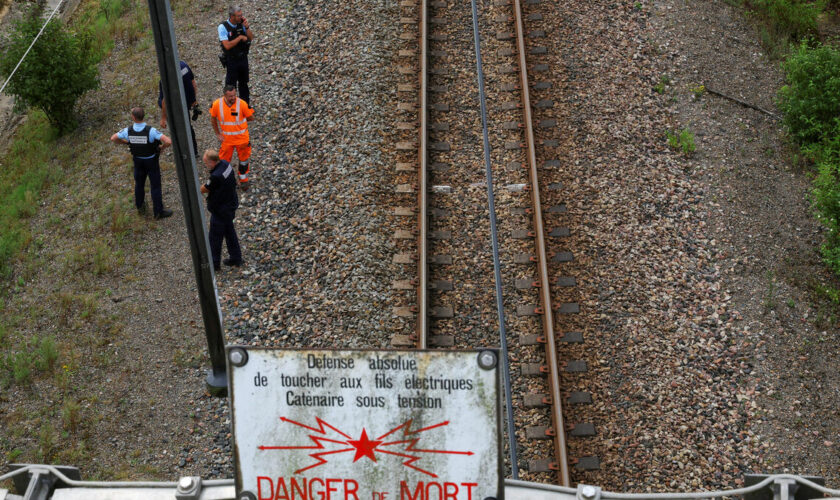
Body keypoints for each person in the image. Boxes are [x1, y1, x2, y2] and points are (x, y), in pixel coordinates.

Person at [110, 107, 173, 219]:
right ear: (143, 116)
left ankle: (140, 208)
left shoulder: (128, 131)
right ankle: (158, 212)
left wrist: (126, 142)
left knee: (139, 185)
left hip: (138, 161)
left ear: (133, 117)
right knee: (155, 186)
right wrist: (162, 148)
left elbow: (113, 138)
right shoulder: (151, 131)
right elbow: (168, 141)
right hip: (151, 161)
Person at [200, 149, 242, 271]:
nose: (206, 165)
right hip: (231, 205)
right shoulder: (226, 164)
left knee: (215, 238)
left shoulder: (215, 176)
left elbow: (205, 188)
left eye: (206, 163)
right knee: (229, 232)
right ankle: (236, 258)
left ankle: (214, 264)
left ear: (212, 162)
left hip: (220, 210)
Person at [209, 85, 255, 191]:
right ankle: (225, 181)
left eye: (234, 95)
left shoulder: (242, 104)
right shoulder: (217, 105)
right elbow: (213, 119)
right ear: (224, 95)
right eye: (230, 96)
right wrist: (217, 134)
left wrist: (239, 122)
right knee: (223, 162)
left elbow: (251, 117)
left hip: (242, 139)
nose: (233, 98)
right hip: (227, 140)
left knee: (243, 161)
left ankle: (243, 181)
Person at [158, 60, 199, 157]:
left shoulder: (167, 77)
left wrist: (163, 117)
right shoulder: (184, 65)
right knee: (188, 126)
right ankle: (194, 151)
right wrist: (193, 101)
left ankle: (182, 150)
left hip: (174, 107)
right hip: (186, 103)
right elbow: (193, 83)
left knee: (176, 128)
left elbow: (165, 100)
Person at [218, 5, 253, 105]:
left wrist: (247, 27)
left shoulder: (241, 24)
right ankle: (230, 108)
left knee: (244, 84)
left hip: (243, 58)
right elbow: (227, 45)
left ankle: (245, 107)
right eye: (239, 16)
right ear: (232, 16)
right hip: (231, 60)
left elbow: (250, 38)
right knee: (230, 86)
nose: (241, 17)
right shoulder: (223, 27)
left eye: (241, 15)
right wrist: (240, 38)